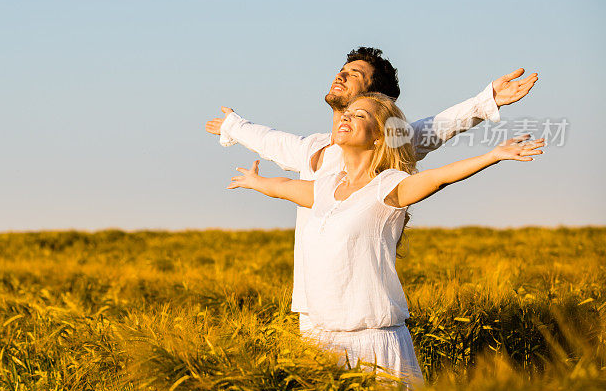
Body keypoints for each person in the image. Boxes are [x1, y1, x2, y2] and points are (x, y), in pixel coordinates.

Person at [205, 47, 538, 334]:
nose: (341, 75)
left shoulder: (385, 143)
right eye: (342, 70)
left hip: (362, 310)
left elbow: (437, 128)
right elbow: (272, 142)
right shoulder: (313, 148)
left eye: (354, 74)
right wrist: (235, 126)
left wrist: (487, 101)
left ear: (376, 98)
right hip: (311, 306)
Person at [226, 92, 545, 385]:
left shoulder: (388, 186)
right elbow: (285, 187)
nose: (346, 117)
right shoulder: (326, 187)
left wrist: (494, 155)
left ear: (379, 135)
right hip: (323, 343)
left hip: (375, 345)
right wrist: (256, 181)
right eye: (346, 113)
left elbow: (437, 178)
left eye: (360, 115)